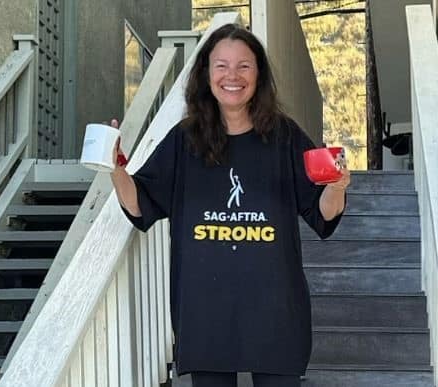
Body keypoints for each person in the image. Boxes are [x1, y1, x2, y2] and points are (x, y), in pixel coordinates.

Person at [110, 23, 350, 387]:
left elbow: (323, 215)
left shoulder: (285, 137)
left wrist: (338, 186)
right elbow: (141, 204)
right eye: (221, 66)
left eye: (244, 66)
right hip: (206, 313)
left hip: (276, 314)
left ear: (259, 75)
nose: (232, 76)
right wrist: (115, 168)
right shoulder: (184, 140)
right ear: (206, 74)